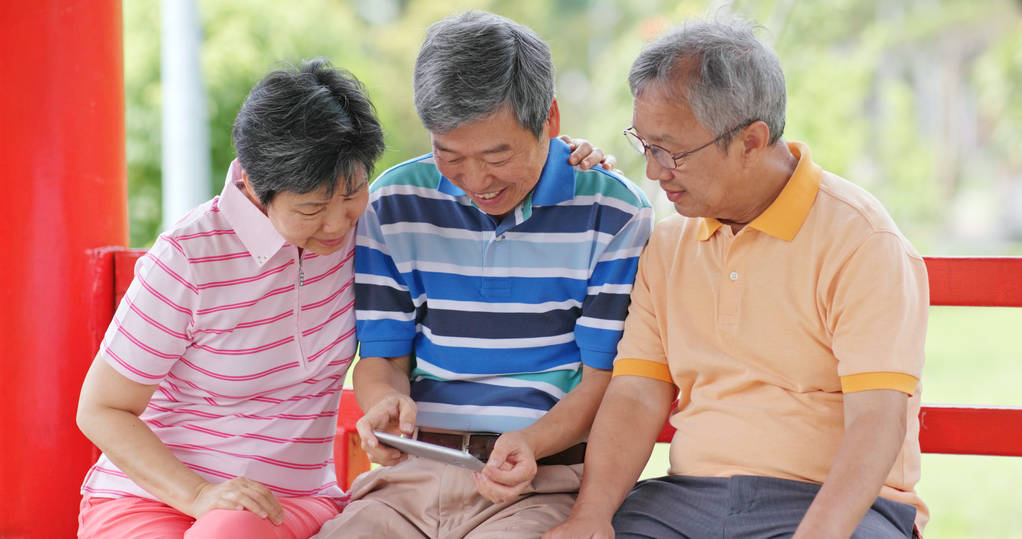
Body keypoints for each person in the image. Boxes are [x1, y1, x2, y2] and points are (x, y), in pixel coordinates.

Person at [547, 17, 929, 539]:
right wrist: (590, 515)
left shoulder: (861, 241)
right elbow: (636, 394)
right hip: (684, 502)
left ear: (751, 140)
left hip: (833, 507)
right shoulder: (668, 242)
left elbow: (876, 421)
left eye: (671, 150)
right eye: (645, 144)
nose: (654, 172)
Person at [314, 10, 654, 539]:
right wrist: (384, 404)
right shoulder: (394, 203)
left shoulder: (614, 214)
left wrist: (532, 443)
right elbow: (382, 356)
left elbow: (602, 381)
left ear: (550, 122)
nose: (476, 181)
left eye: (497, 156)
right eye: (449, 155)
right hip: (410, 479)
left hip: (542, 481)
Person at [75, 58, 386, 538]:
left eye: (353, 193)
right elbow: (101, 408)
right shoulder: (190, 257)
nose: (337, 223)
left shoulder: (365, 237)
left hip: (290, 503)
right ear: (256, 189)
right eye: (311, 208)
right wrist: (198, 495)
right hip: (152, 498)